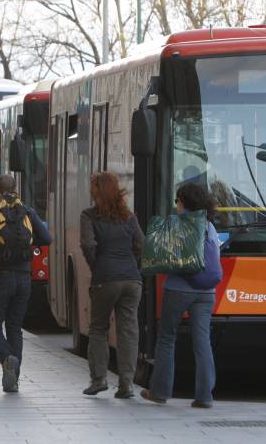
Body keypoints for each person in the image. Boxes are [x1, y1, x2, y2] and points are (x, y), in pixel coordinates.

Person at [142, 183, 222, 408]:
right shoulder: (209, 226)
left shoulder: (177, 224)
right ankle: (205, 396)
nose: (176, 205)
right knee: (202, 342)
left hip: (178, 289)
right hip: (207, 292)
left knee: (167, 338)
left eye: (177, 201)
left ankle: (159, 392)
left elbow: (168, 255)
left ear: (184, 202)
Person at [0, 174, 51, 393]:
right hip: (23, 277)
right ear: (15, 188)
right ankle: (13, 380)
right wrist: (24, 246)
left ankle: (6, 359)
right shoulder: (26, 210)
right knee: (14, 327)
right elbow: (46, 238)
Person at [79, 171, 144, 399]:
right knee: (128, 331)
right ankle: (126, 383)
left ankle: (99, 380)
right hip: (132, 279)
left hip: (105, 278)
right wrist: (131, 265)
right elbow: (140, 245)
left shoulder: (89, 216)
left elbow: (87, 244)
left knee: (98, 328)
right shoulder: (129, 216)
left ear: (95, 190)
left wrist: (98, 266)